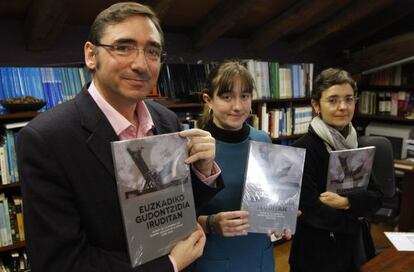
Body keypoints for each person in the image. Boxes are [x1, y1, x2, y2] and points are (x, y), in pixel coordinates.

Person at [16, 2, 223, 272]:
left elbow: (178, 206)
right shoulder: (45, 140)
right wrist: (170, 264)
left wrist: (203, 172)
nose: (140, 64)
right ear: (91, 55)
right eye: (123, 47)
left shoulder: (166, 120)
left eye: (152, 51)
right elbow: (60, 262)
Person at [195, 61, 289, 272]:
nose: (237, 106)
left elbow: (272, 198)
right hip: (215, 258)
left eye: (244, 96)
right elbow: (178, 220)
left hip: (259, 255)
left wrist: (283, 215)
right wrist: (209, 223)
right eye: (227, 97)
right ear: (208, 100)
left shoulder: (263, 140)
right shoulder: (195, 147)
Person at [288, 68, 383, 272]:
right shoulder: (302, 148)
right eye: (333, 100)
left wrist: (346, 202)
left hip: (356, 249)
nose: (343, 107)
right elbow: (311, 211)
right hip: (317, 256)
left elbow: (376, 197)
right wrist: (356, 213)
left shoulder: (357, 145)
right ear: (316, 105)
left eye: (349, 99)